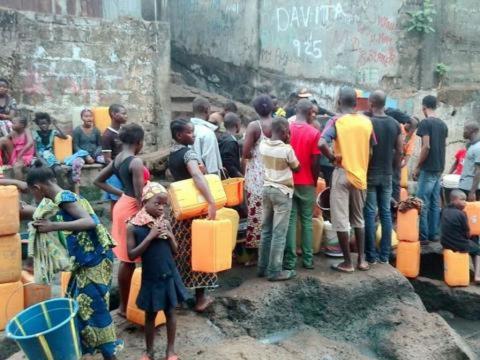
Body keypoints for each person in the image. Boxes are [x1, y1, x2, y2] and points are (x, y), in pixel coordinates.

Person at [26, 160, 122, 359]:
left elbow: (89, 221)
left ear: (38, 187)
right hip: (88, 260)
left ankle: (109, 353)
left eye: (32, 192)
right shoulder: (61, 196)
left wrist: (53, 226)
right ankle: (91, 349)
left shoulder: (63, 197)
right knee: (79, 304)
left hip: (94, 261)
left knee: (94, 307)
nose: (34, 197)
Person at [127, 182, 189, 360]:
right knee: (150, 315)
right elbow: (132, 255)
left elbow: (175, 252)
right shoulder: (133, 227)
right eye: (157, 203)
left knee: (170, 312)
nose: (161, 207)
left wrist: (170, 237)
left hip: (169, 274)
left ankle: (170, 350)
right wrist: (150, 236)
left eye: (164, 204)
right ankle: (149, 351)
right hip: (151, 277)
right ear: (144, 202)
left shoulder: (165, 224)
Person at [319, 86, 374, 273]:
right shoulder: (367, 122)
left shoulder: (336, 121)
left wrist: (332, 158)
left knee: (341, 218)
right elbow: (372, 148)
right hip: (360, 174)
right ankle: (362, 260)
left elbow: (321, 143)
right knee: (359, 218)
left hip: (342, 172)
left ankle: (347, 263)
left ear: (339, 101)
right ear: (356, 102)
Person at [94, 123, 145, 318]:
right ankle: (136, 306)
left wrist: (121, 193)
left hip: (122, 205)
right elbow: (140, 197)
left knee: (126, 259)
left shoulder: (117, 159)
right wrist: (146, 219)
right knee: (135, 258)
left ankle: (124, 306)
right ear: (139, 142)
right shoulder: (136, 162)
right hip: (132, 208)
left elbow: (98, 180)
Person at [168, 119, 218, 312]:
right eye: (190, 132)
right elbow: (197, 177)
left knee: (180, 253)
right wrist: (211, 201)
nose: (194, 135)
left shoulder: (172, 153)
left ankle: (179, 298)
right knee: (201, 251)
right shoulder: (189, 153)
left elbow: (176, 176)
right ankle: (200, 299)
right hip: (195, 210)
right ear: (180, 135)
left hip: (179, 210)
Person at [258, 117, 300, 281]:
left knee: (266, 230)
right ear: (284, 132)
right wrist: (288, 142)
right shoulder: (287, 150)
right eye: (288, 131)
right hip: (282, 192)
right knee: (279, 233)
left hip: (266, 189)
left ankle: (262, 267)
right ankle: (275, 270)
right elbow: (297, 167)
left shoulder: (262, 145)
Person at [363, 91, 402, 264]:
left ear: (371, 103)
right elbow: (399, 150)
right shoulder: (395, 124)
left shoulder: (368, 123)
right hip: (387, 174)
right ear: (384, 103)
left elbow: (365, 149)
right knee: (386, 213)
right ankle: (384, 256)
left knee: (370, 214)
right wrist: (393, 170)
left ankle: (370, 256)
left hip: (370, 174)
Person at [284, 99, 321, 271]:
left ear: (296, 110)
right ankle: (308, 260)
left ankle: (290, 262)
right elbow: (315, 162)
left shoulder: (286, 130)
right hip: (307, 182)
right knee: (306, 221)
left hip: (288, 181)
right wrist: (314, 181)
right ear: (309, 113)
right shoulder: (314, 133)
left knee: (290, 221)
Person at [242, 95, 273, 264]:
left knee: (255, 216)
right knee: (273, 216)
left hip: (257, 178)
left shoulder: (254, 126)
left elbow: (245, 153)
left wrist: (254, 153)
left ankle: (256, 257)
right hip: (275, 177)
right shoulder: (279, 124)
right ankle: (273, 254)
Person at [413, 95, 448, 243]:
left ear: (423, 107)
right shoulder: (443, 125)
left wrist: (418, 166)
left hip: (428, 168)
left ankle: (424, 236)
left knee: (422, 202)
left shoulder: (425, 123)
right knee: (435, 203)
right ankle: (433, 234)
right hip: (439, 168)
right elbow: (444, 146)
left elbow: (426, 146)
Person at [441, 190, 480, 283]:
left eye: (465, 200)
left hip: (445, 242)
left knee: (471, 242)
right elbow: (467, 233)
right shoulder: (462, 214)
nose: (464, 202)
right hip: (457, 243)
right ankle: (477, 276)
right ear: (454, 200)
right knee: (478, 250)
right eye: (462, 199)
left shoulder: (444, 210)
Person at [101, 104, 128, 204]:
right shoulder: (107, 135)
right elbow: (107, 159)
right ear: (114, 114)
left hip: (123, 169)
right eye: (123, 113)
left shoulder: (123, 131)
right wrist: (119, 172)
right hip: (114, 172)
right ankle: (115, 220)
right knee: (116, 201)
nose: (126, 116)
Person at [71, 109, 104, 183]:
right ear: (82, 118)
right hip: (82, 156)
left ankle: (105, 181)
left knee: (106, 161)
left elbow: (100, 145)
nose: (89, 118)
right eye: (86, 116)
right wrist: (86, 155)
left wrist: (95, 155)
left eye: (90, 116)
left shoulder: (96, 130)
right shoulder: (77, 130)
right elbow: (75, 146)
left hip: (95, 156)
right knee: (77, 164)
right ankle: (76, 185)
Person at [190, 97, 222, 174]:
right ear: (207, 110)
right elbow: (211, 165)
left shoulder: (186, 130)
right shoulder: (208, 133)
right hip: (206, 180)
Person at [392, 116, 419, 203]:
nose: (412, 130)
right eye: (411, 127)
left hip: (399, 161)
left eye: (413, 129)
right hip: (391, 157)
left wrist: (404, 162)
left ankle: (395, 205)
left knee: (396, 184)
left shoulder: (412, 135)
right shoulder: (398, 126)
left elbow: (409, 151)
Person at [459, 122, 480, 201]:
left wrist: (472, 192)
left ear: (473, 131)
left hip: (471, 188)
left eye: (466, 129)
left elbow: (478, 171)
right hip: (465, 185)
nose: (464, 131)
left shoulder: (478, 147)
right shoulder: (470, 145)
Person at [218, 112, 242, 178]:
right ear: (237, 125)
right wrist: (240, 177)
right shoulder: (231, 142)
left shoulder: (221, 137)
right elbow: (229, 165)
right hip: (229, 179)